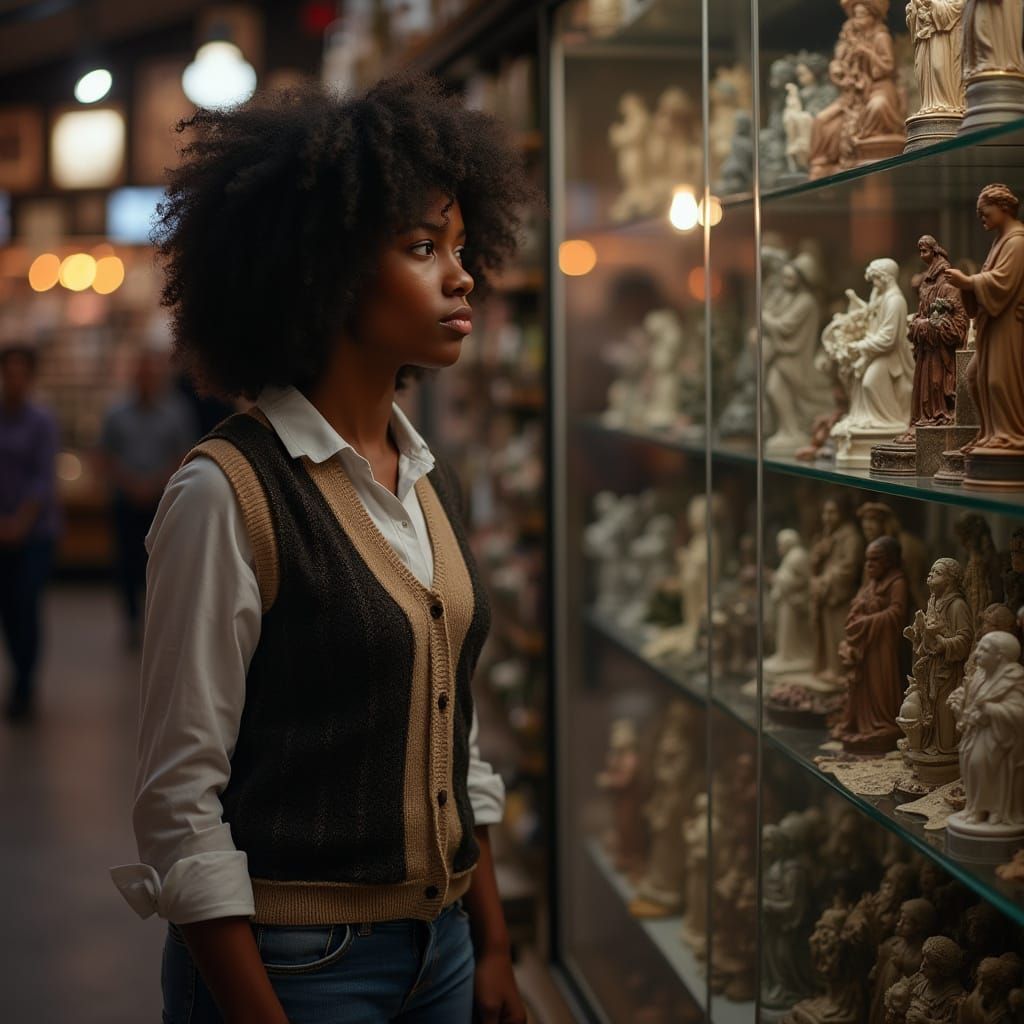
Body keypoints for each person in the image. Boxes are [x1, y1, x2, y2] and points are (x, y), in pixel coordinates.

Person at [109, 75, 536, 1024]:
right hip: (296, 970)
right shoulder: (226, 494)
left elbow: (453, 747)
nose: (462, 275)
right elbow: (181, 806)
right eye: (424, 248)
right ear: (326, 269)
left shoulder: (433, 481)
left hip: (448, 953)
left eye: (463, 248)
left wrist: (493, 945)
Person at [99, 347, 198, 647]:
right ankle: (131, 619)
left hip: (163, 499)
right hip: (125, 500)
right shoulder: (116, 412)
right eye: (142, 372)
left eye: (152, 372)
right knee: (127, 562)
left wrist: (156, 484)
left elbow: (184, 454)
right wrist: (129, 484)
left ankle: (158, 618)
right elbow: (105, 455)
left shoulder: (177, 411)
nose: (146, 377)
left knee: (163, 561)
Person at [0, 345, 59, 722]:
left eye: (22, 372)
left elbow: (43, 477)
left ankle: (25, 680)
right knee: (8, 607)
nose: (15, 380)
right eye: (9, 372)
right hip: (3, 529)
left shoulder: (43, 421)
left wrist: (21, 521)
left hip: (36, 532)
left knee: (27, 603)